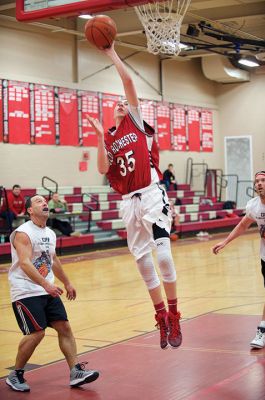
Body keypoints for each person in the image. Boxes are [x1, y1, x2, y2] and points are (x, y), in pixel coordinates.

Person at [86, 44, 182, 350]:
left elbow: (128, 84)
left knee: (164, 255)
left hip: (151, 195)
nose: (121, 104)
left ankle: (175, 314)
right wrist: (101, 138)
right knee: (142, 263)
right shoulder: (111, 137)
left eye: (124, 104)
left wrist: (112, 52)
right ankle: (161, 318)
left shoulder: (138, 124)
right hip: (129, 202)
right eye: (118, 105)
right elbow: (102, 167)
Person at [6, 195, 99, 392]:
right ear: (30, 210)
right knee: (37, 333)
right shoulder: (23, 233)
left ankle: (75, 372)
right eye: (38, 201)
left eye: (45, 200)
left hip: (46, 289)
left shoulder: (50, 232)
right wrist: (45, 285)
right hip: (25, 290)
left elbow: (53, 260)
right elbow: (24, 263)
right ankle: (16, 374)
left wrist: (67, 282)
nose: (44, 203)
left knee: (64, 327)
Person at [212, 170, 265, 349]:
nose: (259, 183)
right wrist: (226, 241)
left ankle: (262, 329)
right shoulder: (253, 206)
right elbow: (243, 225)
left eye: (263, 180)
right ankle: (263, 331)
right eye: (257, 181)